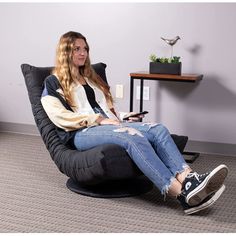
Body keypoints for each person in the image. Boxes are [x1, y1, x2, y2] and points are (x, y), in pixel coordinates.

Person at [41, 31, 228, 215]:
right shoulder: (53, 82)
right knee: (132, 136)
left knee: (158, 129)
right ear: (65, 52)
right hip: (81, 132)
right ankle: (179, 194)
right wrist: (97, 120)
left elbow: (104, 110)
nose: (83, 53)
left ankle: (189, 180)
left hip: (106, 124)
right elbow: (59, 116)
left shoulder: (90, 78)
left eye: (85, 49)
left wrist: (124, 116)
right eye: (76, 49)